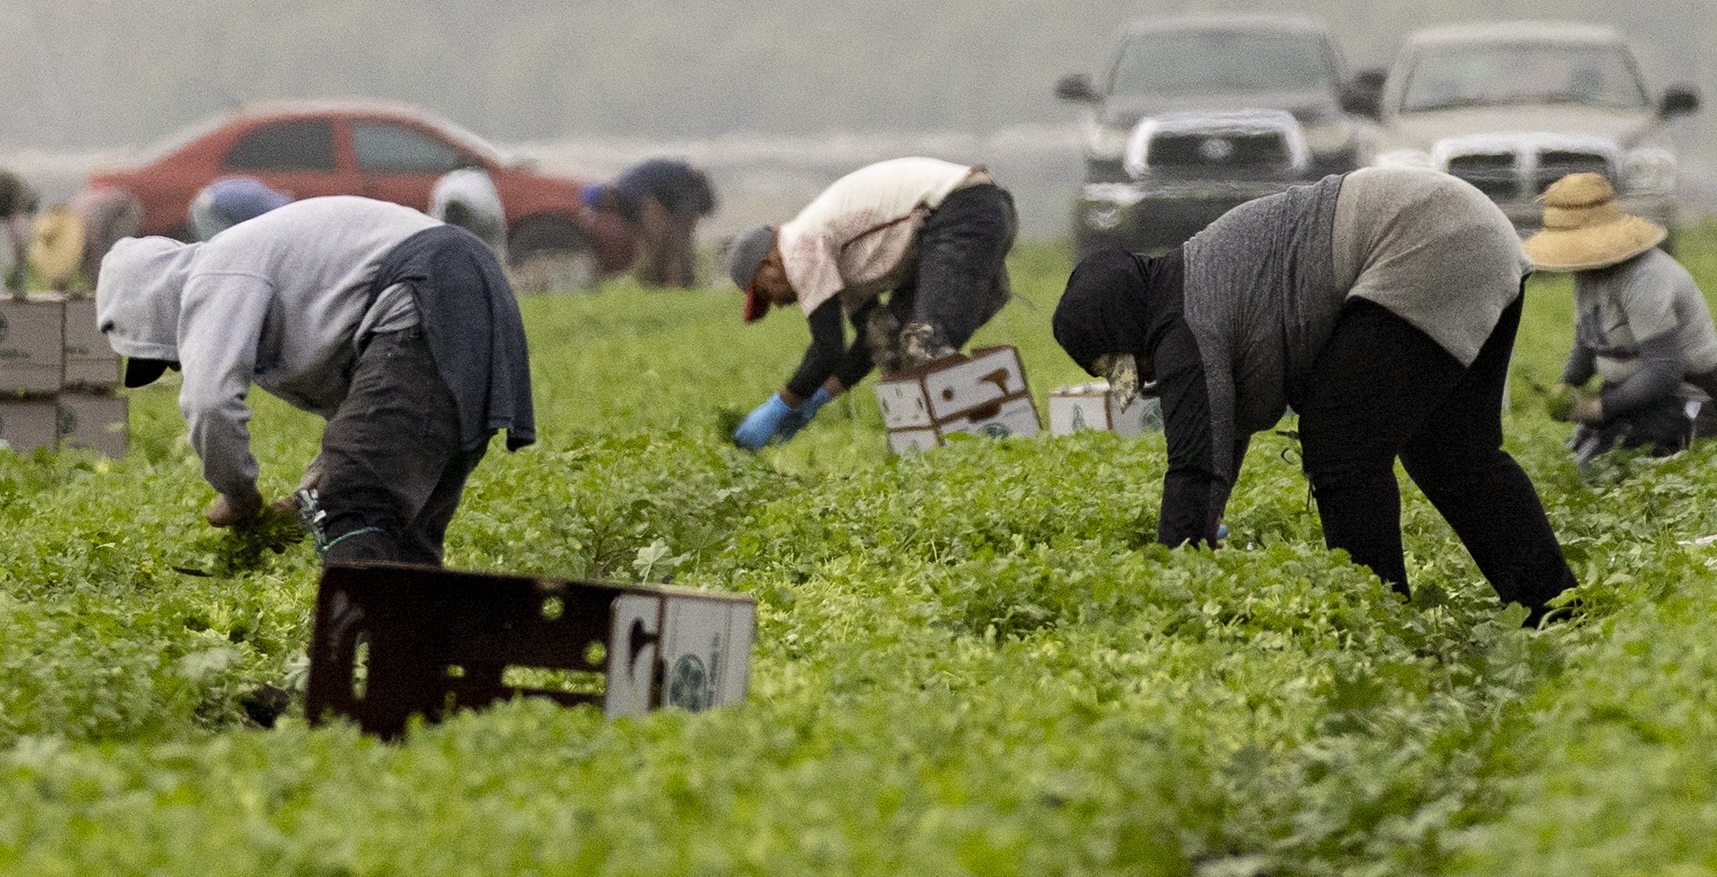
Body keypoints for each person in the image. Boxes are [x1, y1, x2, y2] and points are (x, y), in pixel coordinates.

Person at [1049, 164, 1571, 614]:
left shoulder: (1184, 321)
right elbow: (1216, 443)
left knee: (1341, 446)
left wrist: (1173, 580)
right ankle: (1552, 606)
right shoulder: (1191, 286)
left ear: (1127, 325)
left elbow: (1195, 463)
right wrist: (1202, 530)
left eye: (1128, 362)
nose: (1140, 377)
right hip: (1470, 227)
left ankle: (1378, 616)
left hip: (1422, 235)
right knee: (1455, 454)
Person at [95, 194, 534, 560]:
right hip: (469, 288)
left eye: (163, 354)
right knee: (403, 539)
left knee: (350, 509)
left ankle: (350, 656)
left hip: (428, 288)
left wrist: (241, 499)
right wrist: (312, 492)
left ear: (155, 307)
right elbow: (374, 414)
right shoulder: (260, 269)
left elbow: (209, 403)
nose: (175, 363)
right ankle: (411, 659)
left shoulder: (218, 269)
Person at [725, 158, 1018, 447]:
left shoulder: (798, 248)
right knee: (895, 354)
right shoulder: (835, 261)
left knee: (925, 344)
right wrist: (820, 397)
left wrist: (781, 405)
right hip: (968, 210)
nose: (776, 304)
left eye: (765, 293)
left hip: (961, 209)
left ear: (770, 263)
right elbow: (874, 342)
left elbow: (827, 349)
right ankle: (931, 453)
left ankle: (992, 442)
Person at [1526, 171, 1717, 461]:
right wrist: (1567, 384)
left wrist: (1597, 409)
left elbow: (1664, 371)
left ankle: (1701, 428)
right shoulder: (1588, 275)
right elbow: (1587, 343)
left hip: (1682, 392)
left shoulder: (1644, 278)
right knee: (1585, 456)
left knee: (1615, 458)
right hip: (1632, 391)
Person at [587, 156, 721, 289]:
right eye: (603, 208)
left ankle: (687, 285)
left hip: (691, 184)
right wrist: (647, 263)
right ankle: (664, 284)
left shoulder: (629, 189)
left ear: (608, 193)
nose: (607, 208)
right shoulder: (621, 208)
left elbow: (660, 227)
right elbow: (641, 237)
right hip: (671, 199)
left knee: (679, 236)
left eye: (605, 203)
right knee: (663, 245)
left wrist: (655, 266)